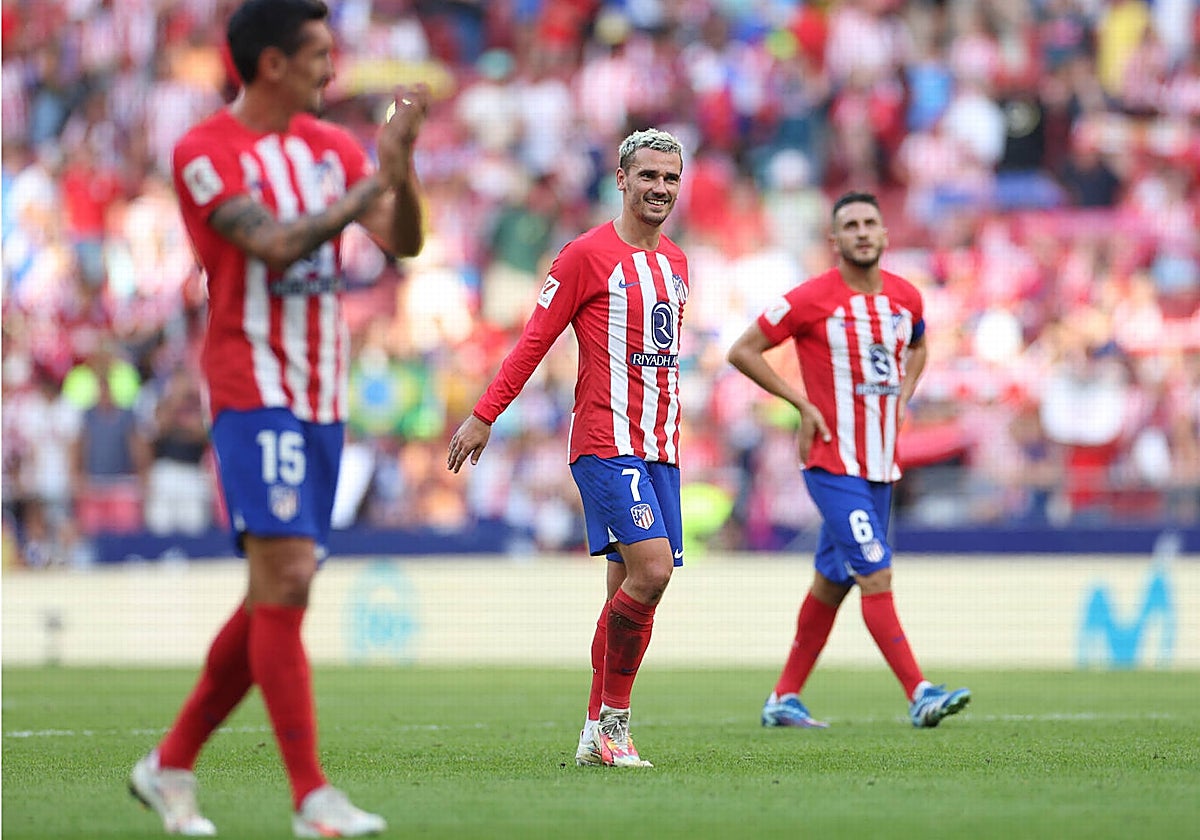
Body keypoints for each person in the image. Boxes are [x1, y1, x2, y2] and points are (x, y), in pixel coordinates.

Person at [128, 0, 429, 836]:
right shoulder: (204, 152)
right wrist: (371, 183)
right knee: (288, 575)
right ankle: (311, 798)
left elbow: (402, 241)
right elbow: (271, 243)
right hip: (250, 384)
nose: (333, 68)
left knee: (279, 588)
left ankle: (169, 765)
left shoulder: (332, 147)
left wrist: (398, 171)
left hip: (322, 394)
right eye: (319, 54)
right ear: (271, 64)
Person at [447, 128, 688, 768]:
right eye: (648, 176)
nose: (660, 188)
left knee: (628, 592)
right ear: (622, 179)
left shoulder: (677, 263)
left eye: (670, 178)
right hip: (606, 444)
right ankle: (614, 724)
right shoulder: (585, 255)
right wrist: (484, 415)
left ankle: (592, 732)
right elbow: (535, 340)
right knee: (653, 573)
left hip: (660, 448)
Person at [725, 190, 971, 730]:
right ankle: (920, 692)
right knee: (875, 572)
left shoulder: (906, 298)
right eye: (851, 225)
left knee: (831, 581)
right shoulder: (811, 298)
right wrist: (800, 404)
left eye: (869, 223)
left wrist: (904, 395)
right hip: (833, 463)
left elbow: (920, 346)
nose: (862, 232)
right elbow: (742, 350)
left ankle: (783, 697)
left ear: (884, 234)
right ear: (835, 240)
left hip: (881, 466)